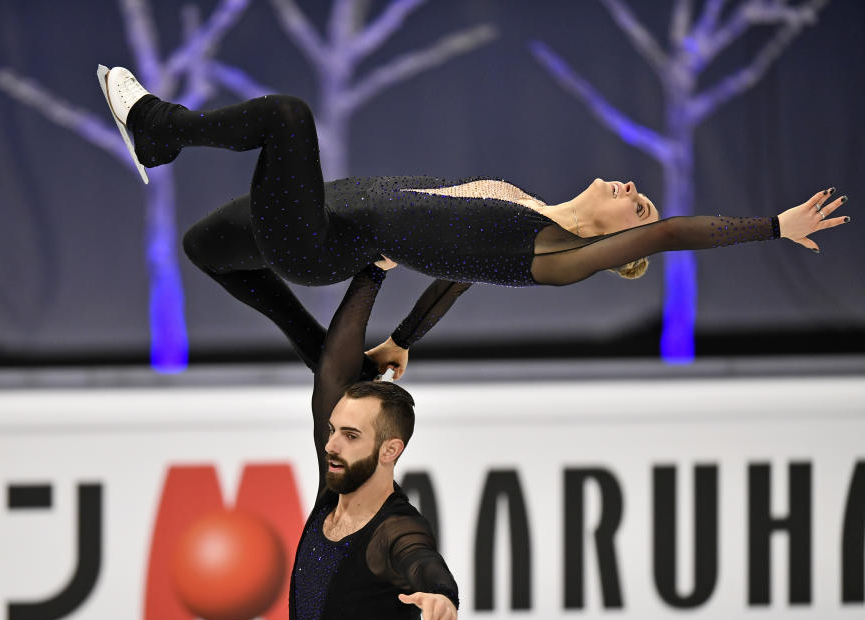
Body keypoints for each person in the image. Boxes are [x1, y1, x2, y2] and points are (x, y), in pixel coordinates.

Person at [97, 66, 849, 366]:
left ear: (617, 233)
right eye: (641, 196)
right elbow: (452, 281)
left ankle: (159, 130)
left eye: (638, 207)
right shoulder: (519, 206)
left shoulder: (553, 252)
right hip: (326, 208)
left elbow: (673, 233)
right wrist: (401, 340)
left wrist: (772, 227)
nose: (634, 192)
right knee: (204, 248)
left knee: (287, 116)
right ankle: (320, 350)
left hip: (320, 237)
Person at [287, 254, 459, 620]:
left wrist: (441, 593)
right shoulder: (336, 492)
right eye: (332, 431)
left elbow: (419, 557)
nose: (330, 446)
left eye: (350, 435)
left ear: (390, 450)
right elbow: (332, 372)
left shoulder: (392, 527)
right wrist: (371, 271)